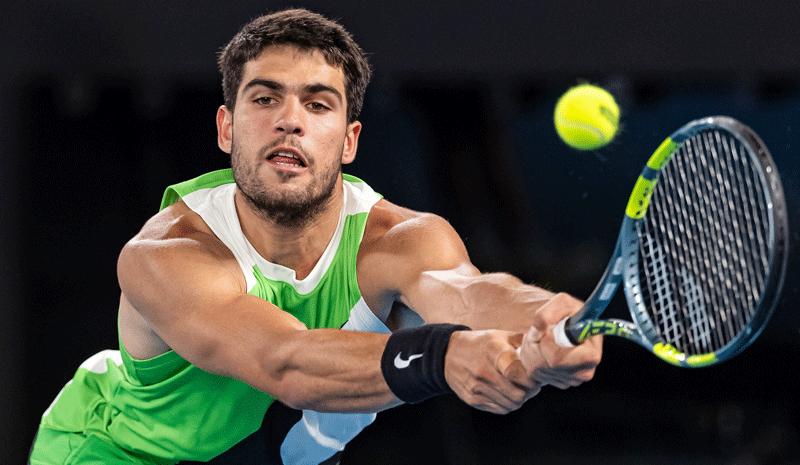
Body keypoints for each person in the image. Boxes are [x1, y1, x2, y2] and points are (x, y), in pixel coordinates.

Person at [29, 8, 602, 465]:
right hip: (115, 454)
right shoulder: (168, 255)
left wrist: (543, 317)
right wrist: (442, 355)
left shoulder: (400, 240)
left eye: (318, 103)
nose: (290, 119)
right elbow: (285, 364)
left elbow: (467, 294)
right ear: (227, 129)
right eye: (264, 97)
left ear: (349, 141)